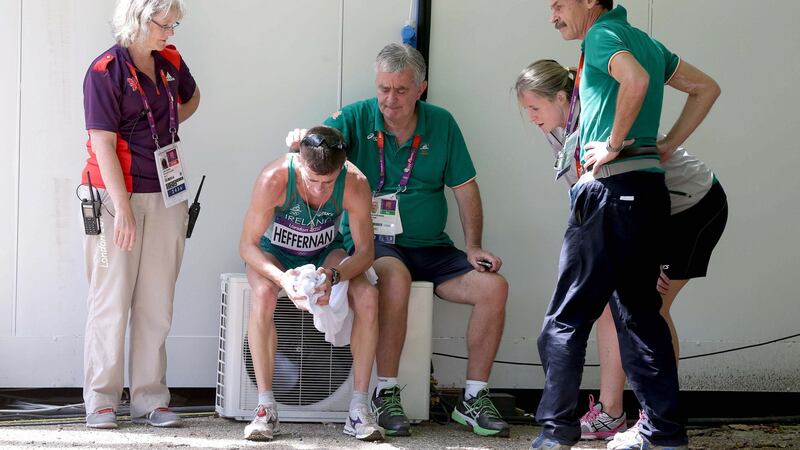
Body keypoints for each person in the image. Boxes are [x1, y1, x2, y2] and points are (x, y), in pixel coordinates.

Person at [289, 43, 510, 438]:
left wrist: (474, 245)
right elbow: (317, 146)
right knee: (395, 277)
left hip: (432, 246)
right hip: (377, 245)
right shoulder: (356, 116)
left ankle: (474, 398)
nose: (390, 100)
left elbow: (465, 188)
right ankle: (385, 391)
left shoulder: (441, 123)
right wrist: (302, 137)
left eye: (401, 90)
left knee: (494, 288)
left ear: (421, 88)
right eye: (384, 89)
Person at [530, 1, 721, 449]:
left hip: (610, 193)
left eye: (560, 4)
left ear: (592, 3)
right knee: (639, 319)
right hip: (648, 194)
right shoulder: (646, 42)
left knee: (565, 319)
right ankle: (665, 434)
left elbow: (634, 81)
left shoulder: (600, 36)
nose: (553, 14)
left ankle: (556, 434)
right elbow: (706, 88)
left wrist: (613, 144)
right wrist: (667, 143)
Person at [79, 0, 199, 430]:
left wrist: (164, 124)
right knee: (110, 299)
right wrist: (123, 210)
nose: (171, 33)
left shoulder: (170, 60)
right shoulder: (104, 71)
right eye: (166, 24)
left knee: (156, 302)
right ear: (138, 19)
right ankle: (102, 400)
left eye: (175, 24)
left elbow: (192, 98)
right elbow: (103, 144)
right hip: (114, 197)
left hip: (167, 194)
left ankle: (150, 399)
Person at [239, 126, 385, 442]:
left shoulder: (355, 183)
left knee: (368, 296)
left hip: (324, 253)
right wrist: (281, 279)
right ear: (298, 163)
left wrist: (335, 276)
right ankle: (265, 408)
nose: (319, 190)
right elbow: (247, 245)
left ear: (341, 171)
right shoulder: (274, 178)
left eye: (328, 183)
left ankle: (359, 408)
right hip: (274, 252)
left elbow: (365, 252)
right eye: (312, 181)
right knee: (263, 295)